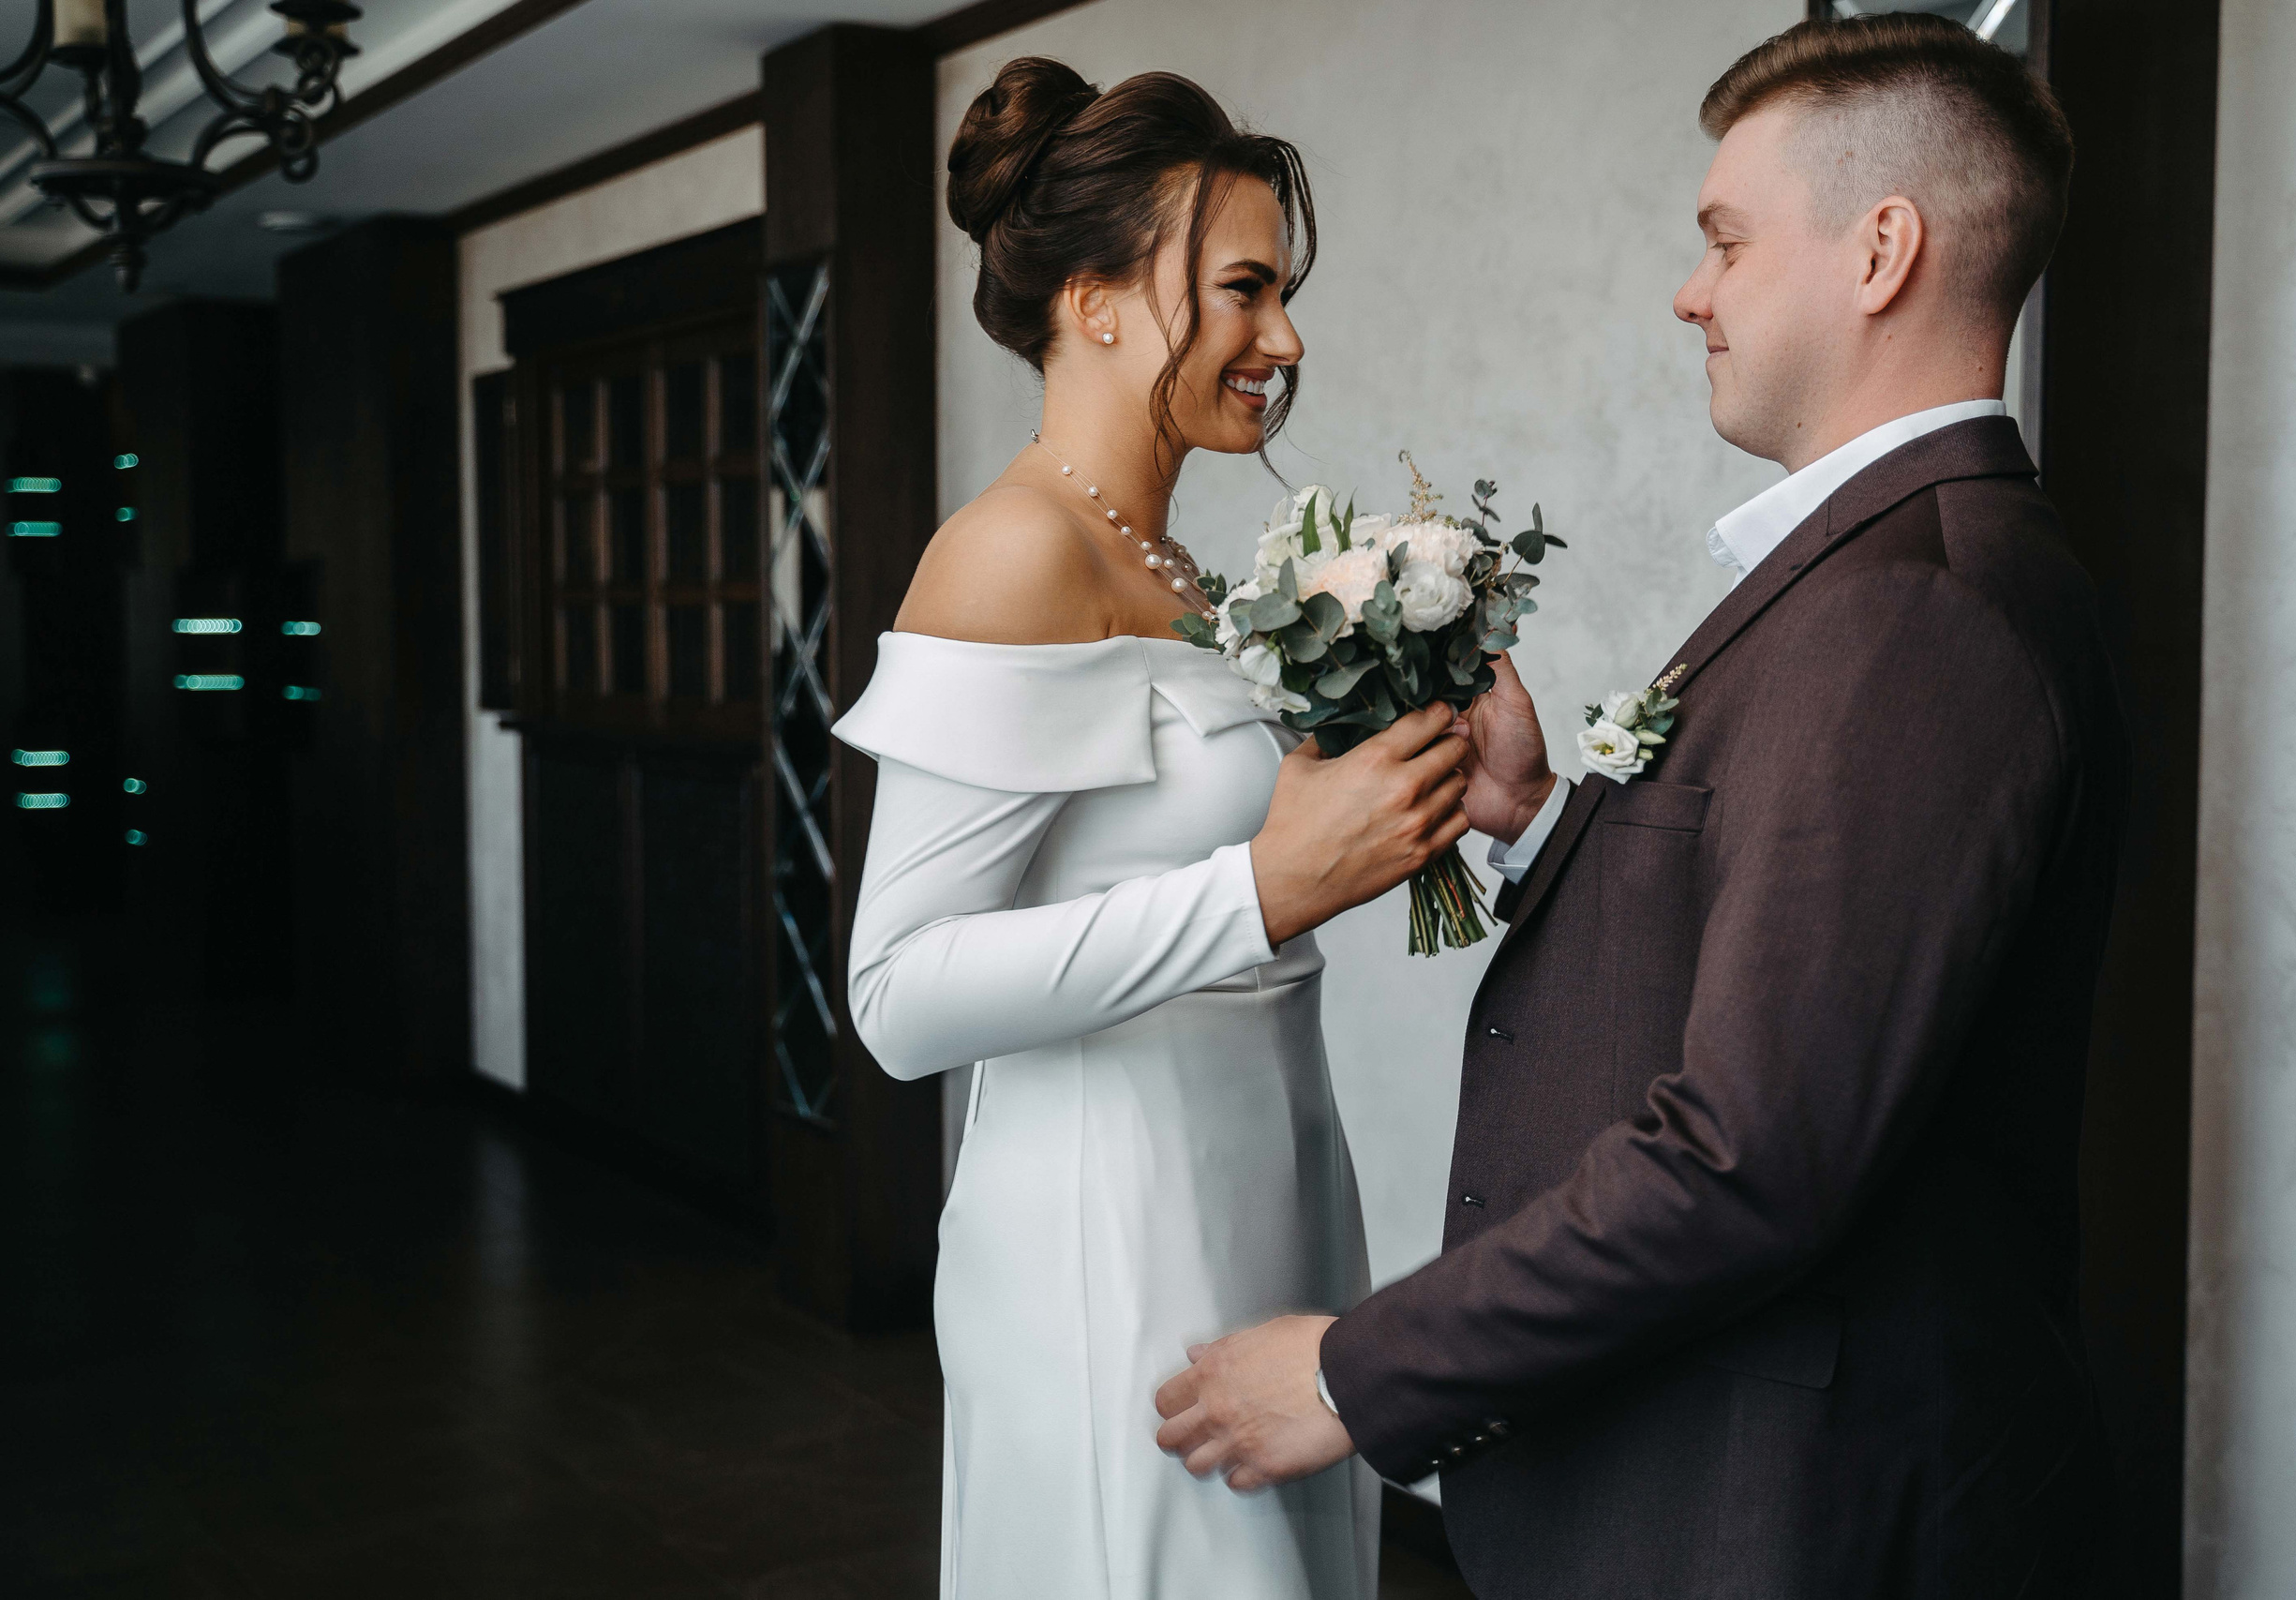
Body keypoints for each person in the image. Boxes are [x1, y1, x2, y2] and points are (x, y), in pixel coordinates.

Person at [1155, 15, 2128, 1597]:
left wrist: (1356, 1369)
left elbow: (1753, 1153)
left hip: (1798, 1514)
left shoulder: (1922, 609)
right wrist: (1537, 821)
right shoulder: (1886, 568)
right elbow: (1793, 959)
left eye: (1726, 241)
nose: (1692, 288)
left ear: (1882, 249)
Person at [833, 57, 1469, 1600]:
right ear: (1098, 301)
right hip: (1107, 1228)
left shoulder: (1182, 568)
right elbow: (898, 997)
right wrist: (1255, 890)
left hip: (1271, 1178)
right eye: (1245, 288)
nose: (1287, 338)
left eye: (1284, 291)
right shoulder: (1009, 555)